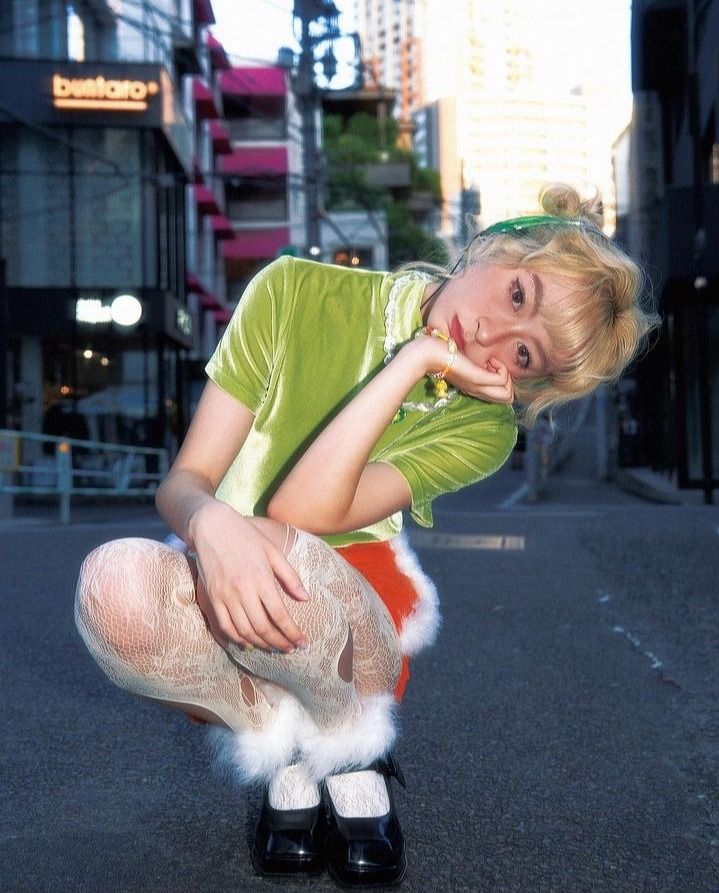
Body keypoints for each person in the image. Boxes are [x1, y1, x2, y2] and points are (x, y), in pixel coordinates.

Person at [74, 184, 659, 887]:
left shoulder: (484, 427)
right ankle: (289, 750)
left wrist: (413, 361)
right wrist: (212, 522)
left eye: (526, 355)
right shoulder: (292, 290)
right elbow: (184, 480)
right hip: (231, 582)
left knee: (287, 554)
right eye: (516, 295)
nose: (491, 337)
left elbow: (303, 511)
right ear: (496, 247)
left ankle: (346, 750)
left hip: (354, 627)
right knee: (113, 586)